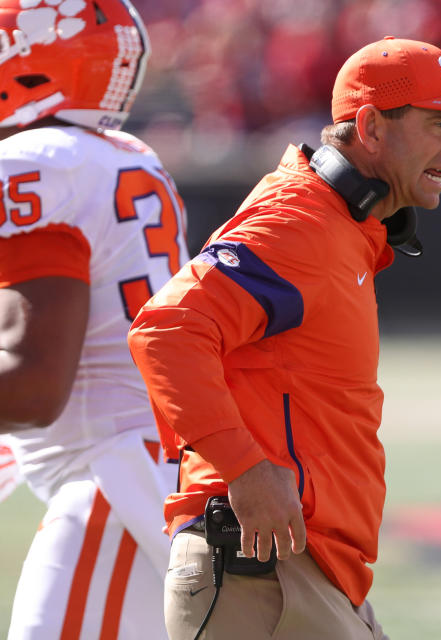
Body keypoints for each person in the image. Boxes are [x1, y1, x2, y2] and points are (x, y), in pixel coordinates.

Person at [127, 36, 441, 639]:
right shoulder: (300, 223)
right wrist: (245, 468)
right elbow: (166, 331)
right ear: (370, 126)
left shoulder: (339, 226)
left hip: (306, 575)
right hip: (262, 575)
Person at [0, 1, 187, 638]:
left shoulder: (36, 163)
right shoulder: (119, 155)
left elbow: (32, 387)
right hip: (151, 468)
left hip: (118, 479)